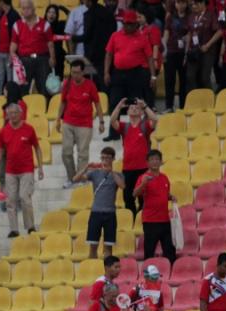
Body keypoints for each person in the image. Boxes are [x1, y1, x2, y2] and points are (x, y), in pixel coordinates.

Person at [0, 102, 43, 238]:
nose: (13, 116)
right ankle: (14, 229)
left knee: (24, 197)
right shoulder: (4, 131)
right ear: (7, 115)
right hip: (10, 170)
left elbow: (37, 148)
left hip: (26, 169)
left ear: (21, 114)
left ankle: (30, 226)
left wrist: (40, 167)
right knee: (10, 200)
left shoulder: (29, 129)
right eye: (10, 113)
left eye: (15, 113)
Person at [58, 59, 104, 189]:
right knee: (66, 152)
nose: (75, 75)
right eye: (73, 72)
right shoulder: (67, 84)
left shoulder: (90, 85)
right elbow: (62, 102)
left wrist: (101, 121)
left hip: (84, 123)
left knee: (82, 153)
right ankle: (72, 178)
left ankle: (81, 178)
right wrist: (57, 119)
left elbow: (98, 104)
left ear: (83, 72)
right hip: (68, 121)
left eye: (78, 73)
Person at [108, 98, 156, 216]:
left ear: (141, 113)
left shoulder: (144, 126)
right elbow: (113, 120)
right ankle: (132, 221)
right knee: (128, 198)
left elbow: (154, 119)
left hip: (143, 168)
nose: (134, 108)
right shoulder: (125, 127)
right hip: (128, 169)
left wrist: (144, 106)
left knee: (143, 198)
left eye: (136, 108)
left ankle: (142, 221)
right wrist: (119, 106)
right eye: (131, 108)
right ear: (128, 112)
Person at [74, 147, 124, 258]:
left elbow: (122, 186)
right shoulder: (95, 173)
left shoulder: (118, 174)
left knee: (108, 247)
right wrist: (86, 167)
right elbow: (76, 179)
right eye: (103, 157)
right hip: (96, 213)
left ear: (113, 158)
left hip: (110, 213)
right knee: (93, 246)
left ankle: (107, 270)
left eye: (108, 158)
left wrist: (111, 170)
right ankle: (93, 269)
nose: (105, 160)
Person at [103, 10, 154, 117]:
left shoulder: (142, 38)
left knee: (135, 104)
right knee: (114, 103)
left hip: (135, 74)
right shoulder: (115, 36)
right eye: (126, 24)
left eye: (131, 24)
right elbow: (109, 54)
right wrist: (106, 72)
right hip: (118, 73)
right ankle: (114, 133)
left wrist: (153, 76)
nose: (128, 26)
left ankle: (135, 132)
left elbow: (150, 57)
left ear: (136, 24)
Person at [133, 150, 176, 263]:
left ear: (161, 161)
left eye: (157, 159)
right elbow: (135, 194)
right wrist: (143, 183)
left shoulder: (164, 178)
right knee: (149, 251)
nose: (155, 162)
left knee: (170, 251)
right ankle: (147, 276)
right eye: (152, 159)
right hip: (150, 220)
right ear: (147, 162)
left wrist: (171, 197)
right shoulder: (144, 177)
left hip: (165, 220)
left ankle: (169, 274)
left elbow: (163, 193)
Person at [11, 0, 55, 96]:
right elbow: (13, 47)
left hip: (42, 60)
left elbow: (50, 44)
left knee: (44, 89)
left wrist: (52, 58)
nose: (25, 10)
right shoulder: (17, 25)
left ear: (34, 9)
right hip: (24, 60)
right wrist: (16, 62)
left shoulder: (45, 24)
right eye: (23, 8)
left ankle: (45, 109)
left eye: (28, 8)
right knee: (22, 91)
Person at [186, 0, 223, 90]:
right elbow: (189, 32)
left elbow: (220, 31)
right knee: (190, 76)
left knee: (204, 77)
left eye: (196, 3)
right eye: (192, 4)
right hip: (194, 50)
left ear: (203, 3)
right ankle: (195, 98)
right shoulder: (191, 16)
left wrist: (208, 45)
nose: (194, 6)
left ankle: (209, 99)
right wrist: (187, 49)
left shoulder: (211, 14)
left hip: (207, 50)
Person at [162, 0, 191, 111]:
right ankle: (169, 106)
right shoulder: (170, 17)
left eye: (183, 3)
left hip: (183, 53)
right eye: (178, 3)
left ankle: (183, 106)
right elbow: (166, 33)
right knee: (169, 80)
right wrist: (164, 50)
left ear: (186, 4)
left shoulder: (190, 17)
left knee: (183, 81)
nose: (181, 5)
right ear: (175, 4)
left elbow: (189, 35)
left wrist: (186, 54)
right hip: (171, 51)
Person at [0, 0, 20, 95]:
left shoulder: (14, 15)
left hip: (9, 53)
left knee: (10, 81)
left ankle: (10, 101)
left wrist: (13, 53)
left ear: (3, 2)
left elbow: (17, 35)